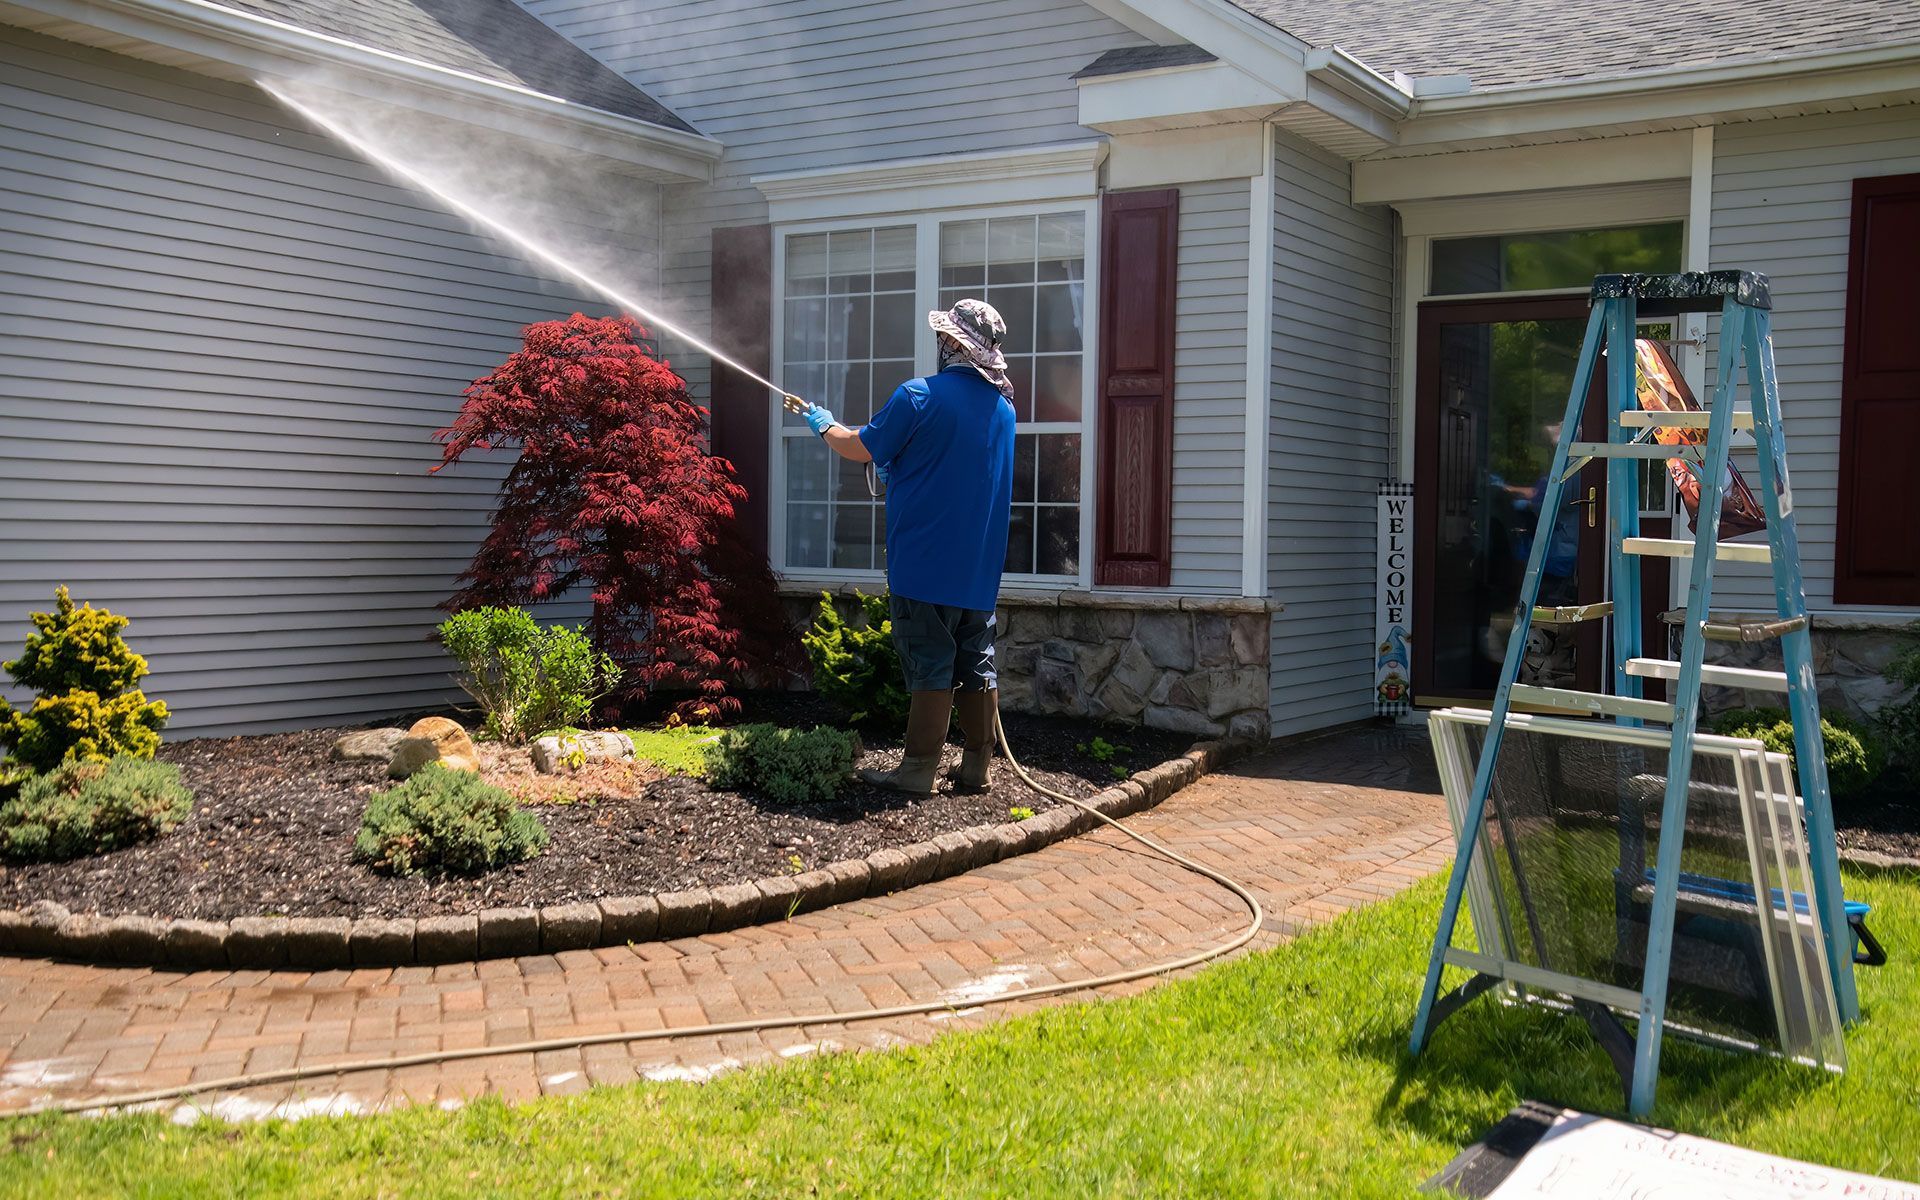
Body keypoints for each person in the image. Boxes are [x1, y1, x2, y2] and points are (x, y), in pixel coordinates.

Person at [787, 299, 1016, 794]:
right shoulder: (1004, 409)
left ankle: (916, 772)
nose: (939, 344)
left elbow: (859, 446)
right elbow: (957, 467)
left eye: (944, 337)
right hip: (978, 568)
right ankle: (976, 768)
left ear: (954, 344)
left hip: (924, 562)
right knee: (977, 660)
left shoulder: (918, 395)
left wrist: (824, 424)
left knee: (930, 661)